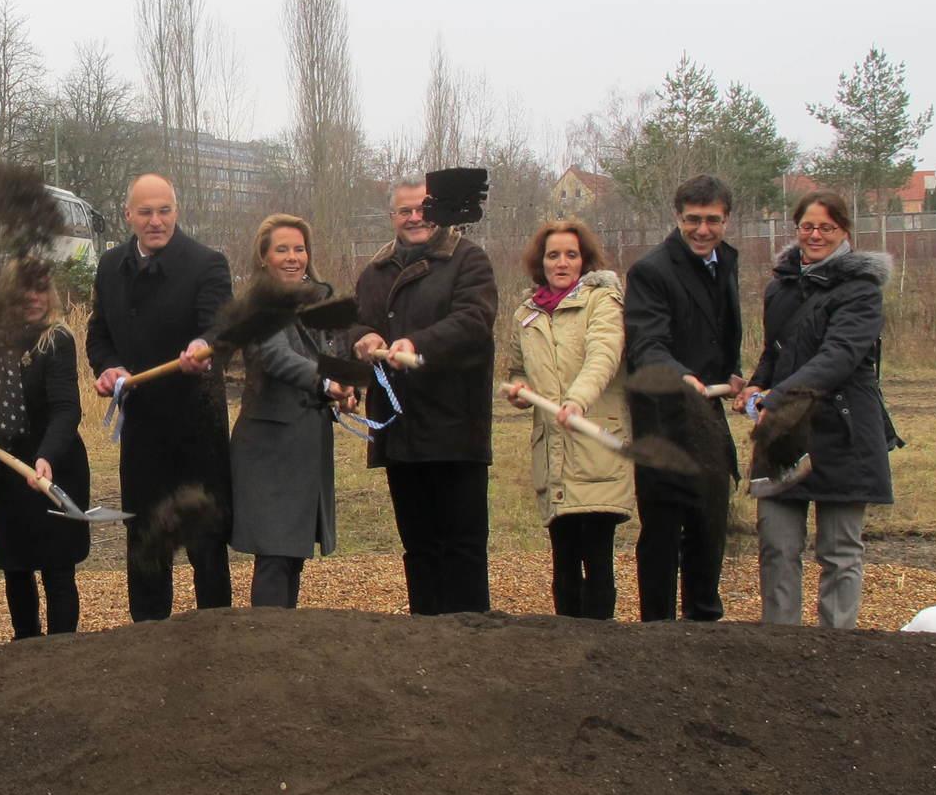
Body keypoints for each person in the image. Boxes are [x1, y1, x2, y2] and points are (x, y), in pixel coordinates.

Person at [736, 190, 898, 630]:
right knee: (776, 545)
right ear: (796, 228)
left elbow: (838, 357)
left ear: (844, 231)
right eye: (808, 226)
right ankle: (781, 642)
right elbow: (776, 351)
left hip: (844, 432)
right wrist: (757, 383)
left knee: (839, 551)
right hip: (784, 434)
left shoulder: (862, 291)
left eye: (827, 227)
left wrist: (776, 397)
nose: (816, 235)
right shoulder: (780, 287)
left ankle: (838, 646)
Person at [87, 174, 234, 620]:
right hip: (142, 430)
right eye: (146, 212)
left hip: (197, 427)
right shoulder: (110, 265)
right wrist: (108, 367)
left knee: (206, 542)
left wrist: (203, 346)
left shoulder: (207, 263)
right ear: (128, 215)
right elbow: (99, 335)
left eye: (164, 210)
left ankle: (215, 631)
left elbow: (220, 326)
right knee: (145, 540)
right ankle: (148, 637)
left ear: (176, 211)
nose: (156, 221)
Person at [353, 178, 499, 615]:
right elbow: (356, 322)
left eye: (423, 209)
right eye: (405, 211)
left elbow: (474, 321)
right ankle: (424, 637)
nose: (415, 218)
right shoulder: (375, 271)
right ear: (392, 217)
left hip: (455, 426)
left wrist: (418, 344)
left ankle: (470, 635)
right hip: (401, 430)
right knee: (419, 547)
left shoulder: (468, 260)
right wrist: (363, 337)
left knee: (463, 546)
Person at [622, 174, 744, 622]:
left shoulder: (725, 261)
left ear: (727, 220)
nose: (702, 230)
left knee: (709, 525)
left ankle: (704, 620)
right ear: (677, 217)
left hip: (708, 415)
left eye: (712, 220)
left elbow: (719, 330)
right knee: (663, 531)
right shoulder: (651, 271)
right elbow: (646, 343)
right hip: (663, 418)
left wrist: (733, 372)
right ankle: (657, 629)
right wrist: (682, 376)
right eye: (693, 219)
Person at [499, 218, 634, 619]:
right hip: (553, 453)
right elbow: (518, 369)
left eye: (570, 255)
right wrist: (519, 389)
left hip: (595, 449)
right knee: (563, 560)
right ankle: (566, 644)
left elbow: (604, 355)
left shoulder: (603, 301)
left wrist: (577, 400)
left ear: (583, 260)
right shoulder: (526, 314)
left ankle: (600, 642)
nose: (561, 263)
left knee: (597, 556)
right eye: (553, 255)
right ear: (540, 262)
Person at [229, 215, 357, 608]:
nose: (292, 257)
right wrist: (326, 384)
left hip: (307, 444)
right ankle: (266, 638)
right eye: (282, 249)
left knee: (293, 553)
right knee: (274, 553)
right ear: (263, 257)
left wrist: (346, 391)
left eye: (299, 249)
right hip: (268, 447)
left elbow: (333, 355)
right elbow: (276, 356)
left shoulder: (317, 304)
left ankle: (283, 636)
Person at [0, 256, 91, 638]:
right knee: (17, 568)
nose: (34, 297)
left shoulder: (57, 339)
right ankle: (25, 649)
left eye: (40, 289)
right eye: (24, 290)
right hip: (10, 467)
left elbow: (66, 408)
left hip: (56, 465)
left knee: (58, 569)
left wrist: (46, 457)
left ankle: (61, 653)